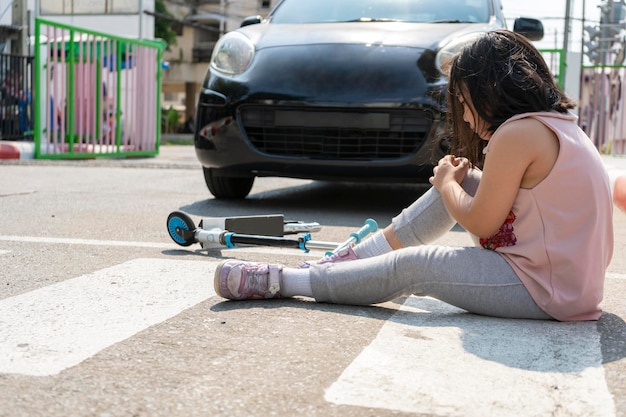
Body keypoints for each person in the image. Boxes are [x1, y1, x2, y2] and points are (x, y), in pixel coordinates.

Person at [213, 30, 614, 322]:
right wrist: (456, 184)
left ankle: (284, 281)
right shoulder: (558, 124)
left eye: (462, 102)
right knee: (465, 179)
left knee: (417, 265)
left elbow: (480, 221)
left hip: (545, 289)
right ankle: (355, 259)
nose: (468, 120)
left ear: (486, 91)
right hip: (566, 279)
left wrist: (446, 183)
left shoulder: (517, 133)